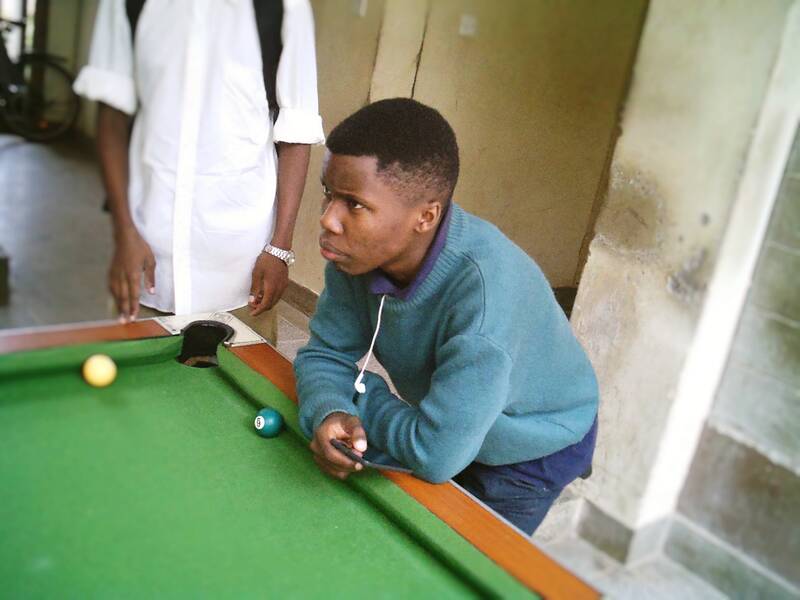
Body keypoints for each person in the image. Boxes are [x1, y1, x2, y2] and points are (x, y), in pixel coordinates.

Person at [294, 98, 598, 535]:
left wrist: (360, 395)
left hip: (532, 445)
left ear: (426, 216)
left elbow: (435, 456)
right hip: (455, 421)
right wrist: (329, 410)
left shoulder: (485, 303)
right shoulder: (354, 256)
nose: (328, 219)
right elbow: (324, 356)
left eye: (354, 204)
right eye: (328, 193)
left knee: (465, 554)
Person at [74, 0, 324, 339]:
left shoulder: (286, 6)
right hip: (146, 254)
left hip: (244, 268)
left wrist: (279, 248)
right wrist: (124, 233)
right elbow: (112, 118)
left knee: (244, 369)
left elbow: (296, 133)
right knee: (131, 370)